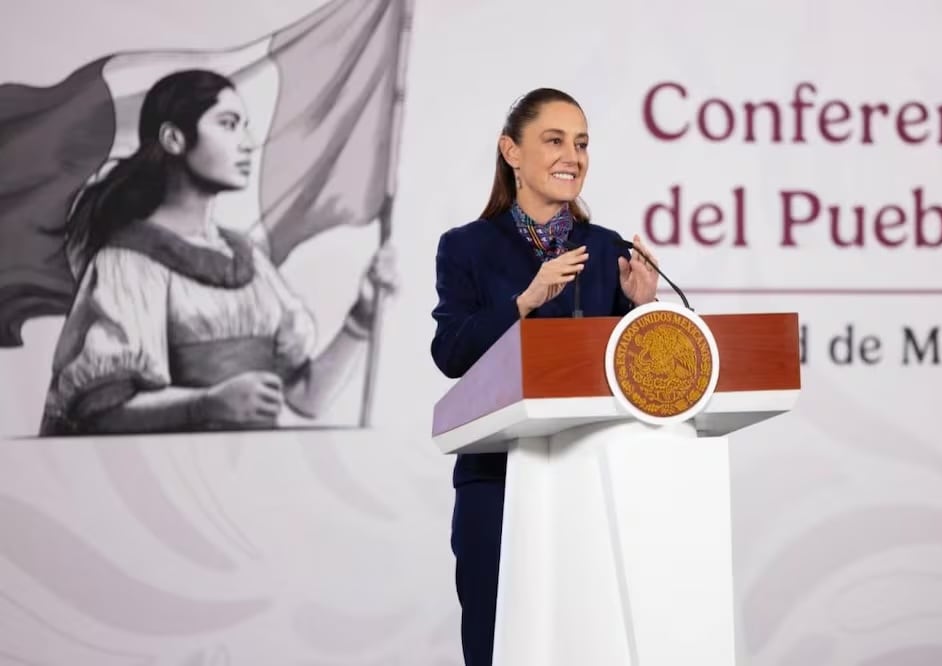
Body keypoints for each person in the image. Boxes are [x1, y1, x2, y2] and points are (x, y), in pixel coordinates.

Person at [429, 87, 660, 666]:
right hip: (497, 480)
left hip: (591, 473)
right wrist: (523, 302)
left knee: (592, 639)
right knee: (497, 642)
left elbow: (628, 369)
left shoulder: (605, 248)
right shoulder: (466, 247)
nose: (573, 155)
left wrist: (641, 308)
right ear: (511, 151)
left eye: (581, 143)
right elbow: (451, 352)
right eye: (554, 140)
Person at [39, 68, 396, 436]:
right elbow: (100, 413)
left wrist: (362, 317)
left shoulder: (250, 260)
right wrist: (205, 404)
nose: (247, 142)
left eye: (244, 125)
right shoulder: (128, 262)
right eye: (228, 124)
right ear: (174, 138)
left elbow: (307, 397)